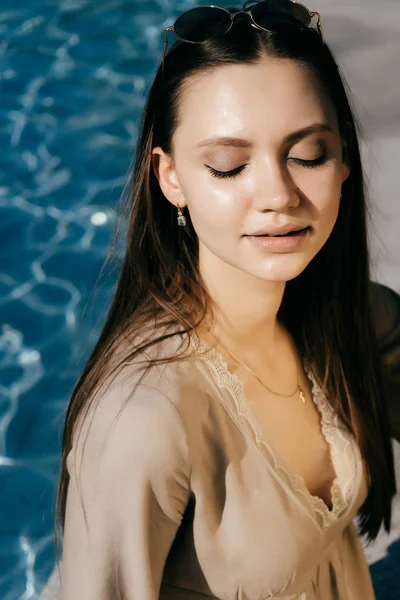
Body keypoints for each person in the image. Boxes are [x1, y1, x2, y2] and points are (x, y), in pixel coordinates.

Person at [39, 1, 400, 599]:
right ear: (171, 177)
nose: (277, 195)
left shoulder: (344, 320)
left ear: (343, 163)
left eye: (308, 154)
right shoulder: (144, 422)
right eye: (229, 166)